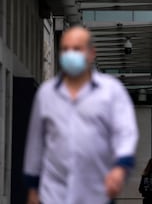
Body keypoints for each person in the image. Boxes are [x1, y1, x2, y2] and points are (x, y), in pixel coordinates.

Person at [23, 26, 139, 204]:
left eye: (77, 49)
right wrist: (32, 187)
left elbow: (125, 133)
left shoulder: (111, 91)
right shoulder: (47, 94)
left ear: (91, 53)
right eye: (66, 49)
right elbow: (35, 143)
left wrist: (120, 168)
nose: (71, 54)